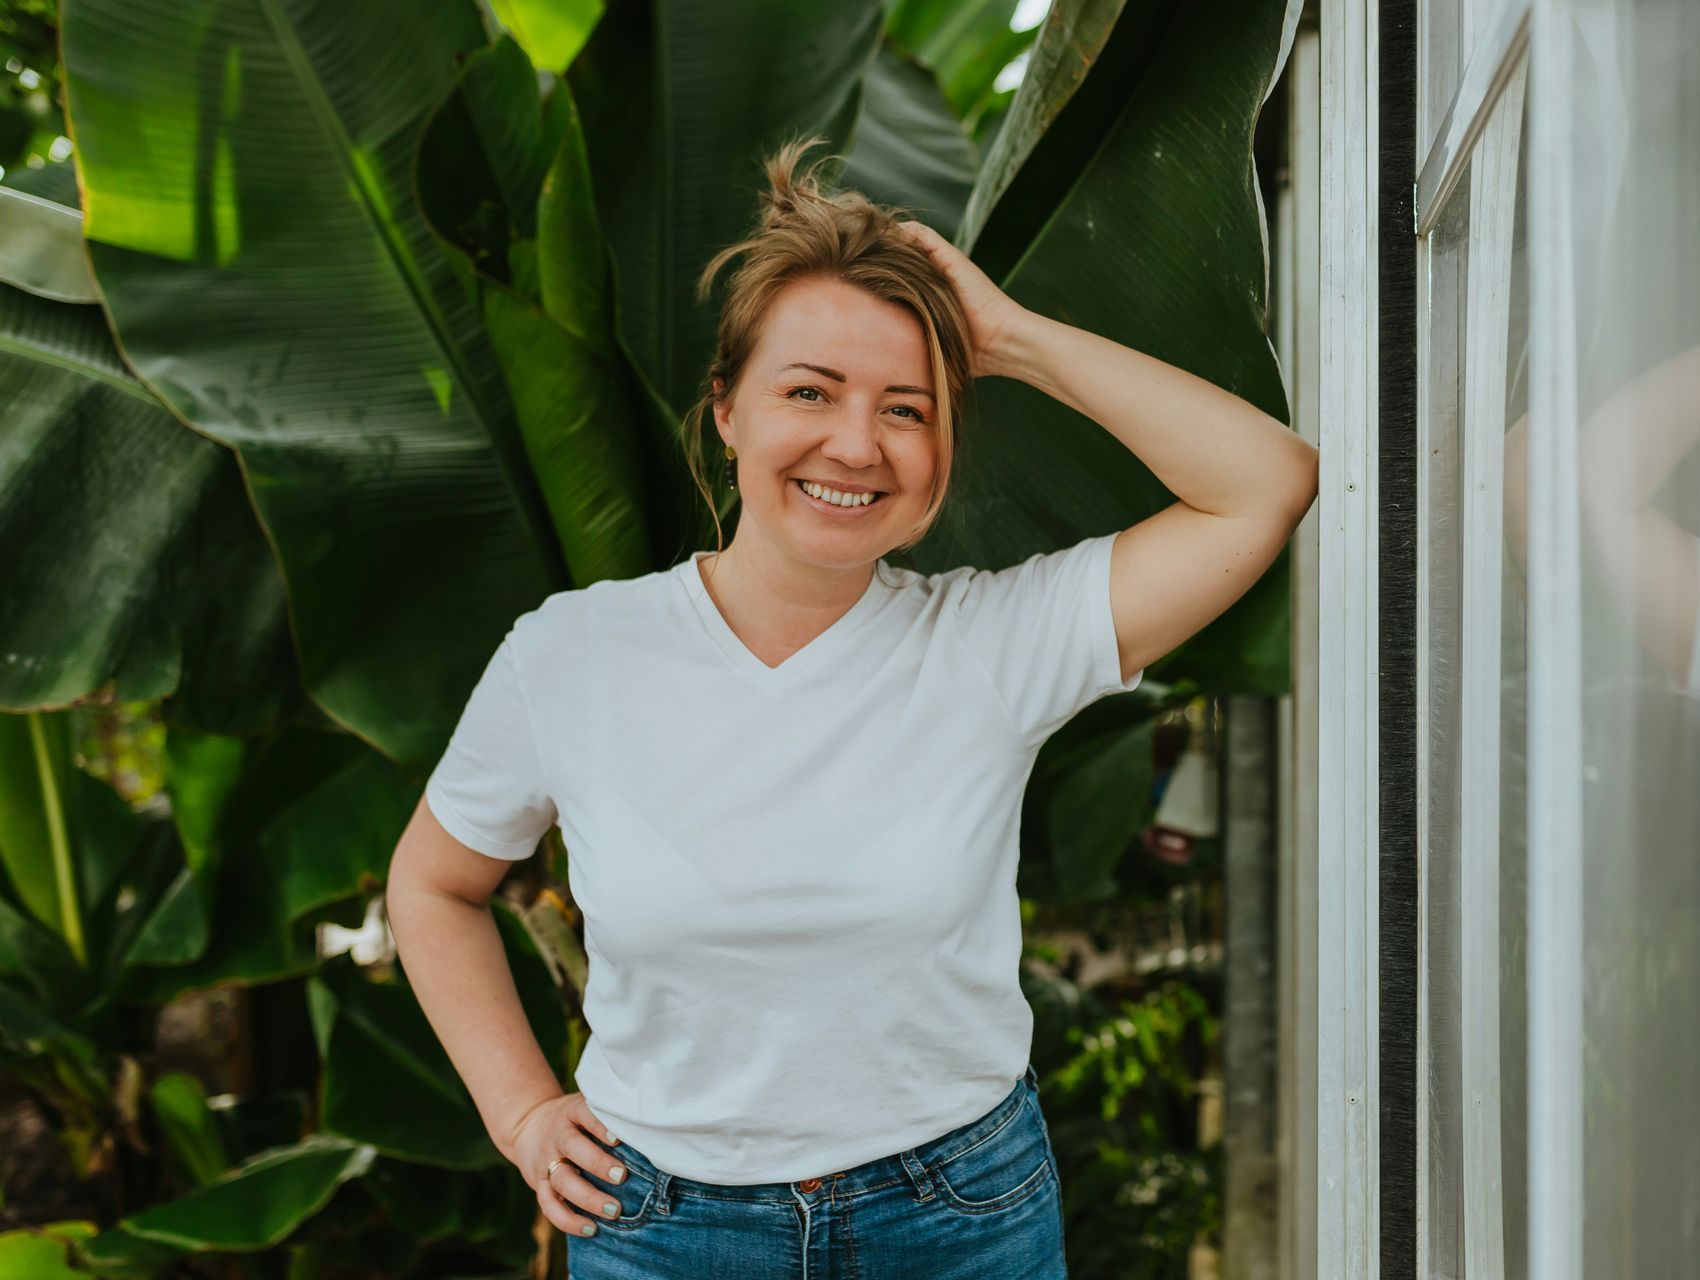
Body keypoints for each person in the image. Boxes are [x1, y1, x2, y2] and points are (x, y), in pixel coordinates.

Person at [385, 136, 1318, 1279]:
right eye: (809, 391)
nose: (853, 444)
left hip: (956, 1214)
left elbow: (1261, 482)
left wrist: (1011, 338)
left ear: (939, 457)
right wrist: (522, 1108)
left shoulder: (992, 641)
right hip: (666, 1229)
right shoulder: (570, 654)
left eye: (907, 409)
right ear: (725, 410)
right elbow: (432, 884)